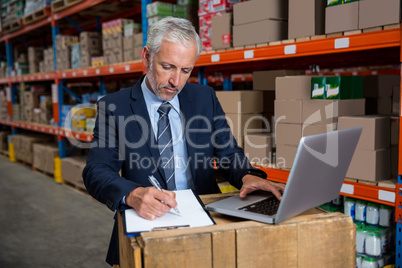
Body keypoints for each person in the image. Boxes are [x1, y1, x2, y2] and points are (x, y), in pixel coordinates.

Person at [83, 16, 285, 266]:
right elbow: (96, 171)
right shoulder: (115, 106)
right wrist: (133, 194)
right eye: (167, 66)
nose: (176, 82)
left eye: (186, 70)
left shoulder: (204, 98)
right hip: (147, 223)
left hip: (206, 218)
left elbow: (228, 151)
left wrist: (247, 175)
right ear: (146, 57)